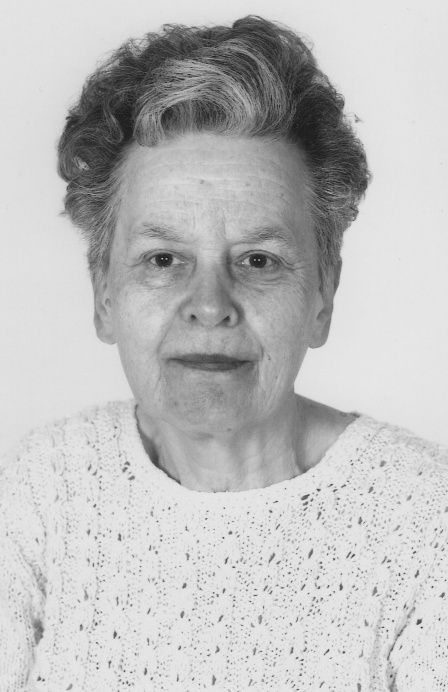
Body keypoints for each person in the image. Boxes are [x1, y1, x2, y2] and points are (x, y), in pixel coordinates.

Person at [0, 15, 447, 692]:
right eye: (162, 259)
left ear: (323, 294)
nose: (209, 305)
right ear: (103, 294)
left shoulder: (426, 521)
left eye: (259, 260)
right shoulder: (36, 493)